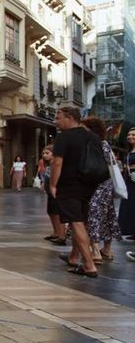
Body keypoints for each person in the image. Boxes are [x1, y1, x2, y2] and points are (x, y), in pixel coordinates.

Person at [50, 106, 102, 277]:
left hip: (69, 185)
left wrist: (53, 185)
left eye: (58, 118)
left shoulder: (64, 137)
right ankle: (74, 257)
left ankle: (89, 265)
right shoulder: (92, 136)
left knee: (76, 222)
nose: (55, 121)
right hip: (89, 185)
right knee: (81, 221)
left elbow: (57, 162)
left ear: (70, 118)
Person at [81, 117, 120, 262]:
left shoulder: (91, 144)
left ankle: (96, 251)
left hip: (94, 183)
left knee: (93, 214)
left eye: (84, 128)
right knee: (108, 214)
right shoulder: (105, 144)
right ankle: (107, 250)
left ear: (91, 129)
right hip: (106, 183)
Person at [40, 145, 66, 246]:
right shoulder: (48, 165)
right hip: (50, 192)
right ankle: (56, 232)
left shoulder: (56, 164)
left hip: (57, 192)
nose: (44, 155)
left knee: (58, 213)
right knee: (51, 212)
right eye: (43, 153)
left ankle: (61, 235)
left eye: (47, 153)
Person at [119, 128, 135, 242]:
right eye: (129, 135)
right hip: (129, 181)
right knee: (130, 205)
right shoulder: (129, 151)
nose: (130, 136)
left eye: (133, 135)